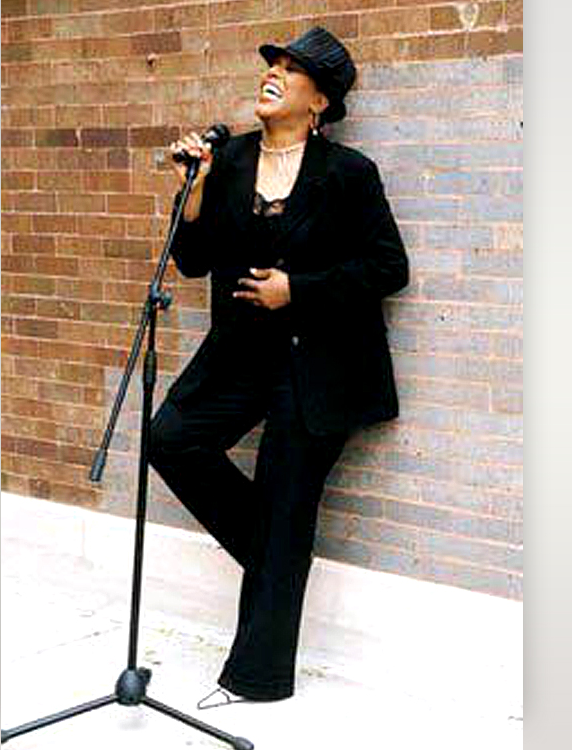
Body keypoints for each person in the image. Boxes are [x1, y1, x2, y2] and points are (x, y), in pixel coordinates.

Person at [149, 26, 409, 708]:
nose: (273, 75)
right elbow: (194, 261)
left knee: (286, 500)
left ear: (319, 101)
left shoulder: (349, 173)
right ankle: (278, 547)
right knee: (170, 439)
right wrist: (193, 191)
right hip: (239, 355)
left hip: (317, 362)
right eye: (273, 65)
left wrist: (299, 290)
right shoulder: (229, 158)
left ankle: (256, 680)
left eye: (292, 71)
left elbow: (389, 267)